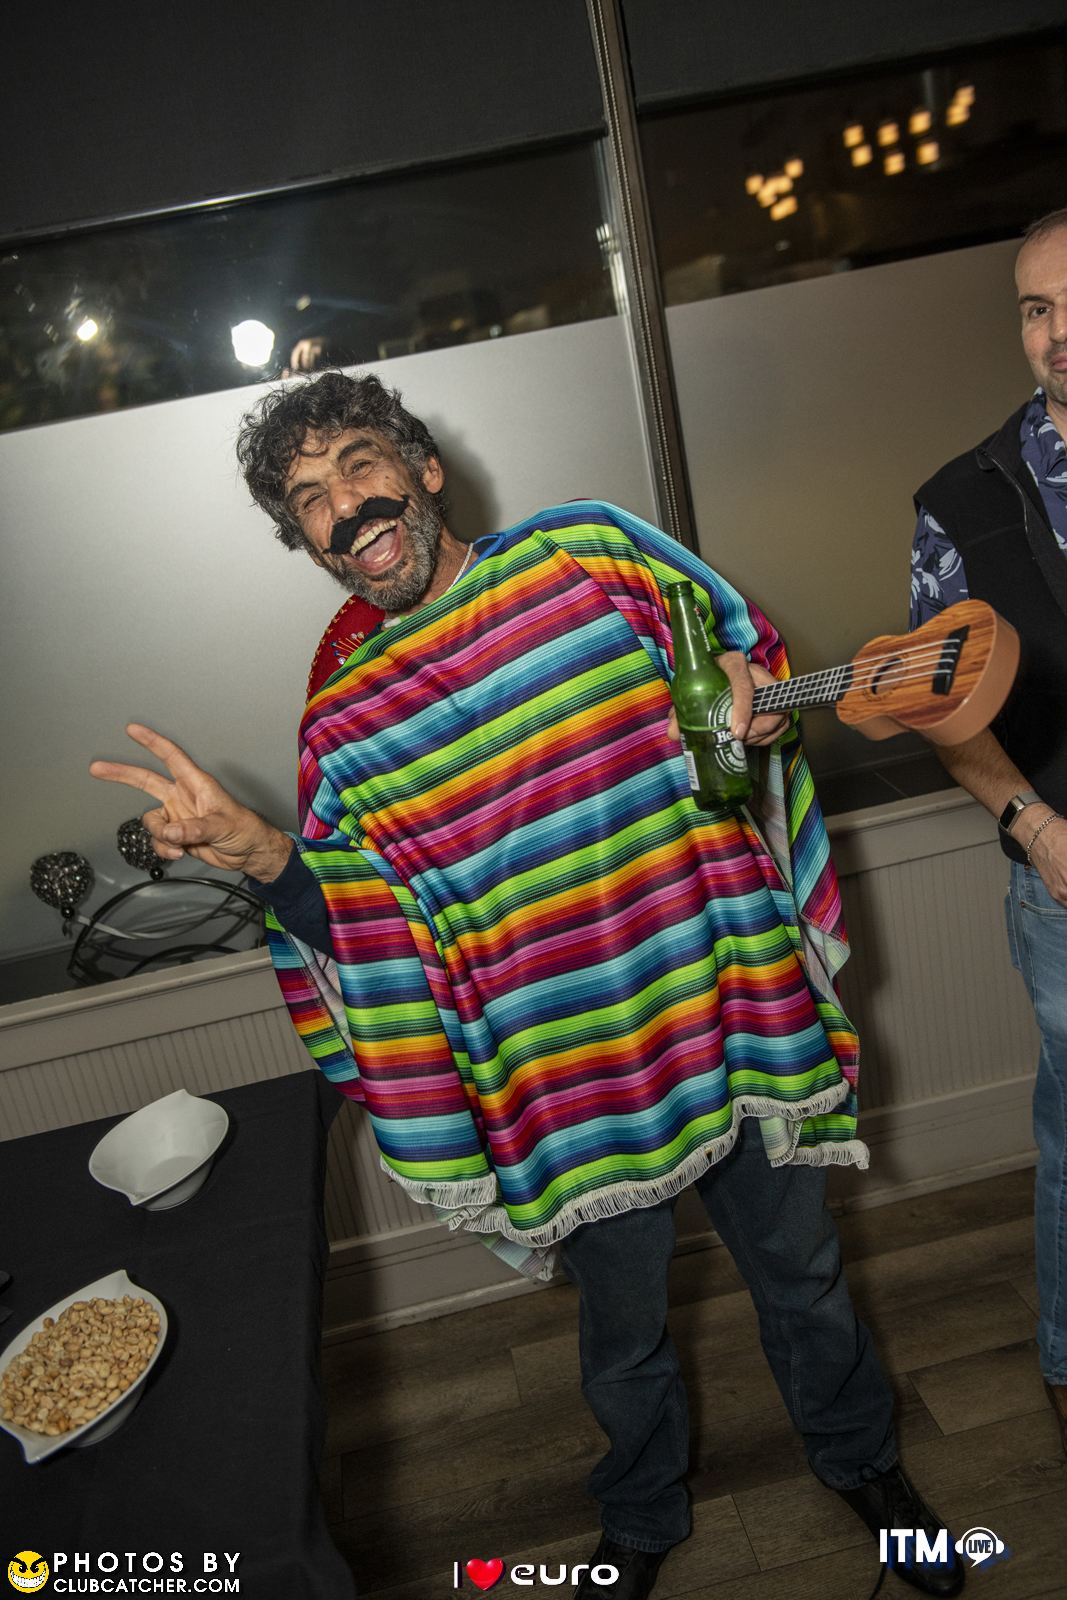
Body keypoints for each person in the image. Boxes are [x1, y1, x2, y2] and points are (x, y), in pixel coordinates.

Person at [92, 371, 963, 1600]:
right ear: (304, 543)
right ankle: (642, 1515)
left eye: (357, 464)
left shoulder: (589, 555)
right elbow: (365, 927)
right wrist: (270, 857)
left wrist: (755, 705)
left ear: (423, 467)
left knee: (805, 1280)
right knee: (621, 1333)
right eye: (308, 499)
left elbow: (742, 663)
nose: (344, 506)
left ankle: (865, 1467)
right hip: (564, 1077)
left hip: (721, 1000)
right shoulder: (347, 722)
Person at [910, 209, 1067, 1463]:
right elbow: (935, 706)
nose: (1056, 332)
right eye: (1034, 308)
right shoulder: (959, 500)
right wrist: (1030, 822)